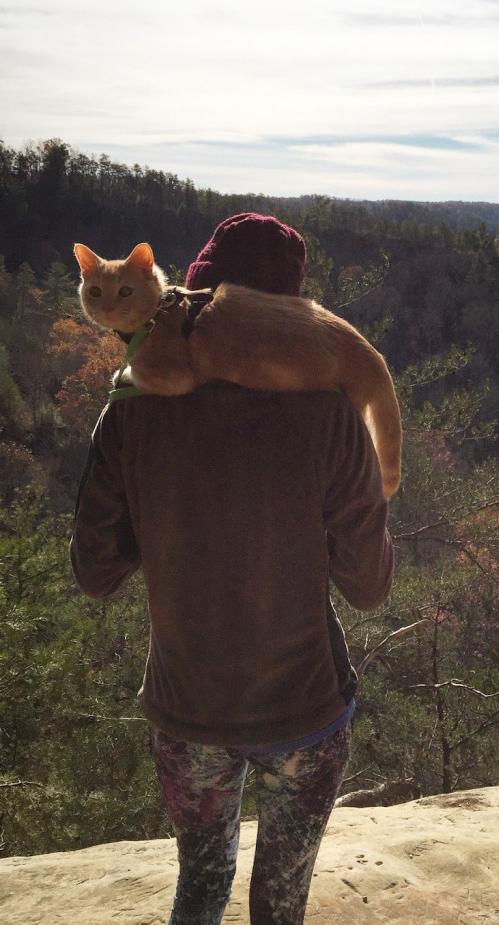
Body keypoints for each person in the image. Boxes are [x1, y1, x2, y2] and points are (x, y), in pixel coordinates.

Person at [70, 212, 394, 925]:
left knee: (201, 881)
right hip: (304, 707)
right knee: (280, 900)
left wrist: (161, 525)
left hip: (189, 710)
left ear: (195, 295)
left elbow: (94, 572)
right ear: (295, 313)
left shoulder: (128, 412)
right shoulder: (330, 416)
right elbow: (369, 589)